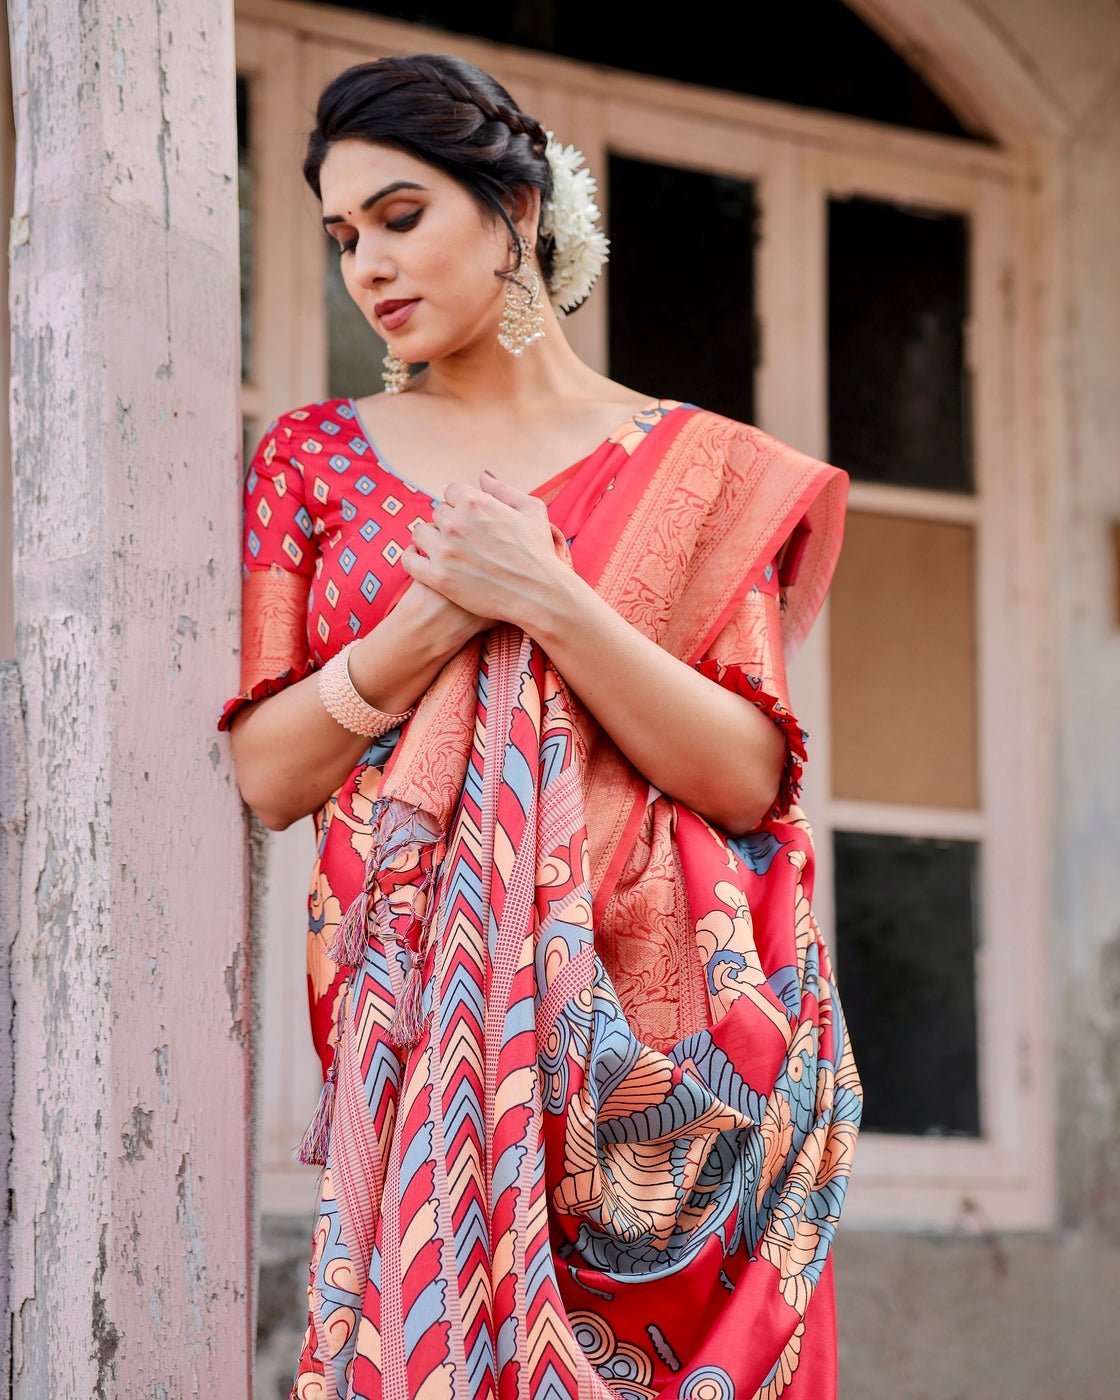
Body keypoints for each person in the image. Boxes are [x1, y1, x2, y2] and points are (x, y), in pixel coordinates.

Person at [217, 52, 863, 1400]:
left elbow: (749, 778)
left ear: (516, 211)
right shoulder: (312, 459)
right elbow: (267, 772)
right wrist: (428, 623)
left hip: (658, 1067)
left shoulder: (699, 466)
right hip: (415, 1028)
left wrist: (551, 598)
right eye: (342, 238)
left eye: (401, 217)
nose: (368, 266)